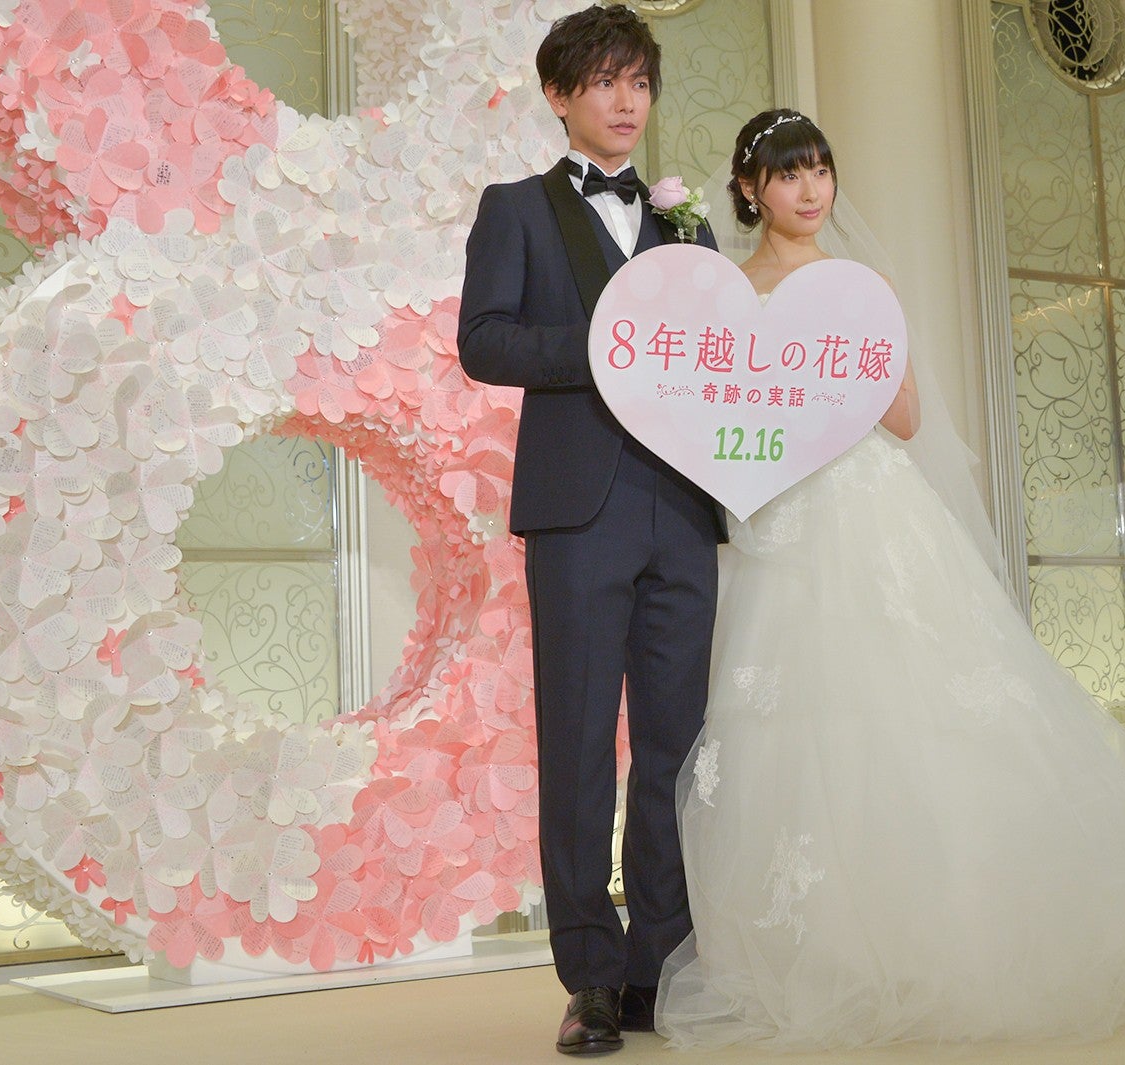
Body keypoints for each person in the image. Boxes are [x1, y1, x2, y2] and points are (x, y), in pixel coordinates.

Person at [654, 109, 1125, 1049]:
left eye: (821, 171)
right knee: (795, 721)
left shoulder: (859, 283)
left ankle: (939, 939)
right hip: (779, 522)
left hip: (863, 509)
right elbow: (717, 413)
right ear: (748, 188)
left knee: (908, 706)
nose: (811, 191)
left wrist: (830, 384)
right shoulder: (729, 289)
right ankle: (829, 950)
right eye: (788, 173)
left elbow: (905, 418)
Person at [456, 5, 724, 1056]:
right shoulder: (515, 208)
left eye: (640, 83)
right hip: (577, 510)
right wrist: (607, 346)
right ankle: (591, 978)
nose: (626, 101)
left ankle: (661, 966)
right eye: (605, 81)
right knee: (576, 745)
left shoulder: (686, 221)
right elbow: (484, 342)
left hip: (684, 507)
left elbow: (718, 358)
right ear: (559, 95)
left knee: (676, 748)